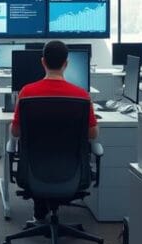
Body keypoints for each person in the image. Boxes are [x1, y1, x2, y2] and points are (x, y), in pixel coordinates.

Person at [10, 40, 98, 223]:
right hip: (73, 169)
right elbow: (92, 134)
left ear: (43, 62)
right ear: (66, 63)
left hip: (34, 168)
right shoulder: (82, 95)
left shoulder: (26, 92)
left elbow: (16, 132)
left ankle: (40, 212)